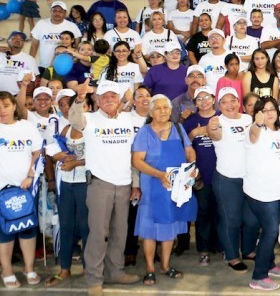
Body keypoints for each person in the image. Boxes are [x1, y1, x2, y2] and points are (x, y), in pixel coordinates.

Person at [69, 80, 141, 296]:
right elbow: (74, 120)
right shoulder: (89, 119)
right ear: (97, 100)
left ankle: (115, 272)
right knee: (98, 234)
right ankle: (94, 280)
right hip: (100, 183)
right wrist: (79, 98)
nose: (109, 99)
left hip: (124, 183)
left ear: (119, 99)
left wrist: (135, 183)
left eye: (113, 96)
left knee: (120, 232)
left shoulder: (128, 119)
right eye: (105, 96)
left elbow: (132, 154)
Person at [131, 95, 197, 286]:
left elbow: (189, 150)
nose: (163, 111)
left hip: (175, 188)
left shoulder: (178, 128)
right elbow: (136, 161)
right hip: (152, 187)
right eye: (158, 108)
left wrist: (192, 166)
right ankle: (150, 268)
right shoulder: (144, 132)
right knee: (149, 229)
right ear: (151, 112)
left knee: (170, 226)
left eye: (166, 108)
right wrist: (159, 175)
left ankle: (166, 266)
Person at [244, 96, 280, 291]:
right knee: (271, 230)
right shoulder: (255, 131)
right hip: (262, 193)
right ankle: (258, 276)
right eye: (264, 110)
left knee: (270, 230)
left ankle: (269, 263)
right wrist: (257, 123)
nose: (269, 113)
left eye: (272, 109)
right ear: (257, 113)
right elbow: (253, 134)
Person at [206, 87, 258, 274]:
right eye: (224, 102)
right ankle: (232, 256)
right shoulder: (217, 121)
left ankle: (248, 250)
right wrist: (212, 128)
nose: (229, 105)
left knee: (252, 219)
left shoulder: (248, 119)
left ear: (239, 102)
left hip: (251, 178)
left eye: (233, 100)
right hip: (227, 180)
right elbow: (214, 134)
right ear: (219, 105)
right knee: (231, 220)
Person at [44, 92, 91, 287]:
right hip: (65, 182)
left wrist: (76, 163)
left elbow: (99, 157)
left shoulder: (92, 128)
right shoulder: (65, 129)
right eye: (71, 109)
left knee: (86, 227)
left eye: (79, 108)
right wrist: (58, 156)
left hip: (85, 183)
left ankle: (89, 269)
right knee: (65, 226)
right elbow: (52, 152)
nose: (74, 112)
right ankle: (65, 269)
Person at [0, 91, 43, 289]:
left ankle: (29, 268)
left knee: (27, 228)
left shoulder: (27, 127)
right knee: (5, 232)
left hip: (26, 188)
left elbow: (38, 152)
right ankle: (7, 270)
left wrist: (31, 175)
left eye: (6, 106)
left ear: (14, 107)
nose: (2, 110)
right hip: (2, 191)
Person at [182, 86, 218, 266]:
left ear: (214, 99)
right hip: (199, 175)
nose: (204, 101)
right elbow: (183, 148)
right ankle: (203, 250)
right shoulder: (190, 121)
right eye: (199, 99)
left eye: (207, 97)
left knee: (220, 212)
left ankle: (220, 246)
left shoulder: (222, 117)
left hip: (222, 174)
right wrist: (194, 133)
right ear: (195, 103)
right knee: (203, 212)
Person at [30, 1, 82, 71]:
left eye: (60, 11)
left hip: (66, 67)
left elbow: (78, 47)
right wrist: (30, 63)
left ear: (65, 13)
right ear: (50, 11)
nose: (57, 13)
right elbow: (34, 46)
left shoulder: (72, 26)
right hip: (44, 66)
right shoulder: (41, 24)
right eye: (55, 11)